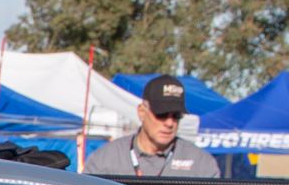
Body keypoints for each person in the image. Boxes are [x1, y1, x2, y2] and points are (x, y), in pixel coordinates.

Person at [85, 76, 217, 178]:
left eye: (176, 116)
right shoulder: (105, 159)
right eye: (162, 114)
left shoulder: (200, 162)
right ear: (141, 112)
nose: (169, 123)